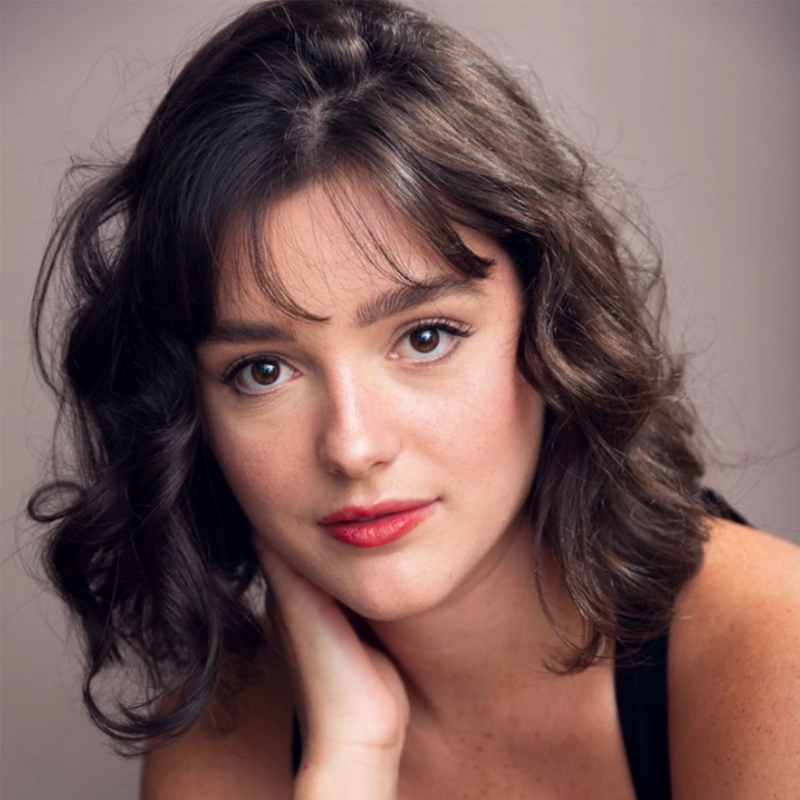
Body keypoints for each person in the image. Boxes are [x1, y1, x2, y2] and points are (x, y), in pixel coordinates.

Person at [27, 1, 800, 797]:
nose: (353, 447)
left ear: (551, 327)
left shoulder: (777, 656)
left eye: (425, 337)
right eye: (262, 371)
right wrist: (351, 760)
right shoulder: (223, 738)